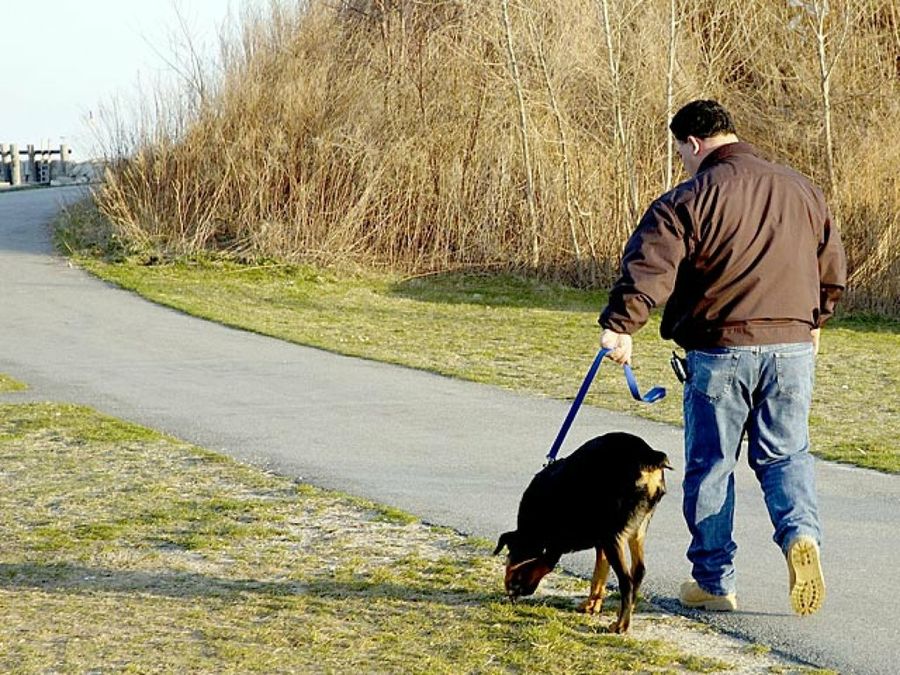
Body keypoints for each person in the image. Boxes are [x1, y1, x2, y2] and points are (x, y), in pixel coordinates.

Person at [597, 99, 846, 615]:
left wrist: (621, 326)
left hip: (721, 349)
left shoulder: (689, 198)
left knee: (713, 466)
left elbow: (650, 267)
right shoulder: (800, 188)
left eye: (681, 153)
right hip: (793, 348)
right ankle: (801, 536)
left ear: (693, 143)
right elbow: (831, 264)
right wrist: (816, 319)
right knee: (786, 455)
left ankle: (714, 581)